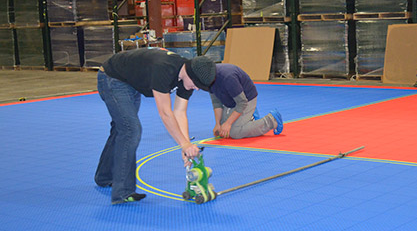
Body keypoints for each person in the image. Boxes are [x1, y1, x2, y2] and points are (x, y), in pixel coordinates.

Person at [94, 47, 215, 205]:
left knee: (121, 128)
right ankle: (122, 192)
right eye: (197, 84)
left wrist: (186, 147)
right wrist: (184, 144)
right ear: (189, 74)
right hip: (112, 77)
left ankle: (104, 177)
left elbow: (179, 112)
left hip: (131, 82)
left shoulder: (186, 79)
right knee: (131, 130)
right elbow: (165, 113)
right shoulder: (163, 68)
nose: (197, 88)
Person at [191, 60, 283, 139]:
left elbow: (242, 102)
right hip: (231, 101)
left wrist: (228, 123)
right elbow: (216, 102)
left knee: (235, 132)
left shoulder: (228, 78)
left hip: (246, 99)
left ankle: (271, 120)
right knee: (222, 131)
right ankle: (250, 116)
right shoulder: (207, 79)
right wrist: (218, 124)